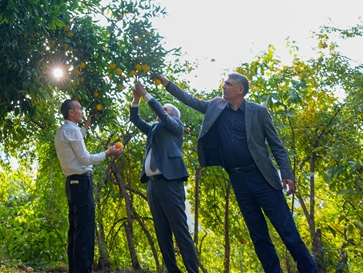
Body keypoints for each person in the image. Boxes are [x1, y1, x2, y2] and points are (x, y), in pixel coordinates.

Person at [154, 73, 318, 273]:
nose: (224, 86)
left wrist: (287, 174)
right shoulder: (216, 107)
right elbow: (190, 100)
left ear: (240, 90)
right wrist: (166, 83)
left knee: (287, 231)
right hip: (238, 180)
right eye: (224, 82)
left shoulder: (258, 112)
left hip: (262, 177)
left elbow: (276, 145)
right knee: (258, 235)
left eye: (228, 84)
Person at [130, 82, 200, 273]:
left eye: (166, 110)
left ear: (172, 116)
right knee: (162, 233)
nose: (161, 112)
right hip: (153, 186)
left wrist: (146, 94)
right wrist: (136, 99)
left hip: (170, 183)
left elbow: (162, 114)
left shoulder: (176, 126)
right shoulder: (153, 129)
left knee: (180, 231)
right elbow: (135, 120)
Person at [54, 99, 123, 273]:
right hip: (82, 182)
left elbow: (75, 141)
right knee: (84, 233)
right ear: (71, 112)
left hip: (72, 183)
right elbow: (84, 159)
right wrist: (107, 153)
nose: (82, 111)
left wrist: (85, 127)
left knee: (76, 230)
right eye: (79, 108)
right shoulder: (73, 131)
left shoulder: (64, 130)